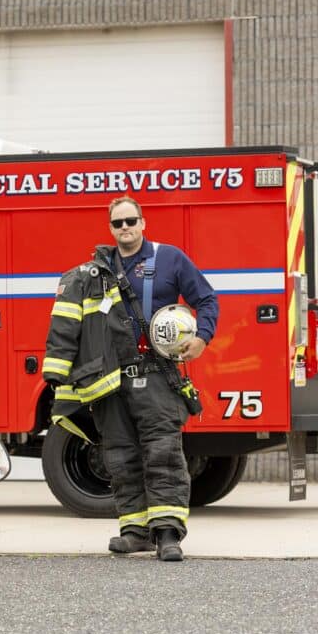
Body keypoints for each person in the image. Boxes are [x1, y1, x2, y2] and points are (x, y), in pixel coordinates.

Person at [43, 197, 218, 562]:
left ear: (144, 222)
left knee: (163, 453)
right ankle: (134, 531)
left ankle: (168, 534)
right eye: (118, 223)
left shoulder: (170, 259)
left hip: (156, 376)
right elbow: (67, 324)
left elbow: (207, 299)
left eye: (131, 221)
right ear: (110, 228)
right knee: (120, 457)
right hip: (110, 382)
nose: (125, 228)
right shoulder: (94, 273)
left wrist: (201, 338)